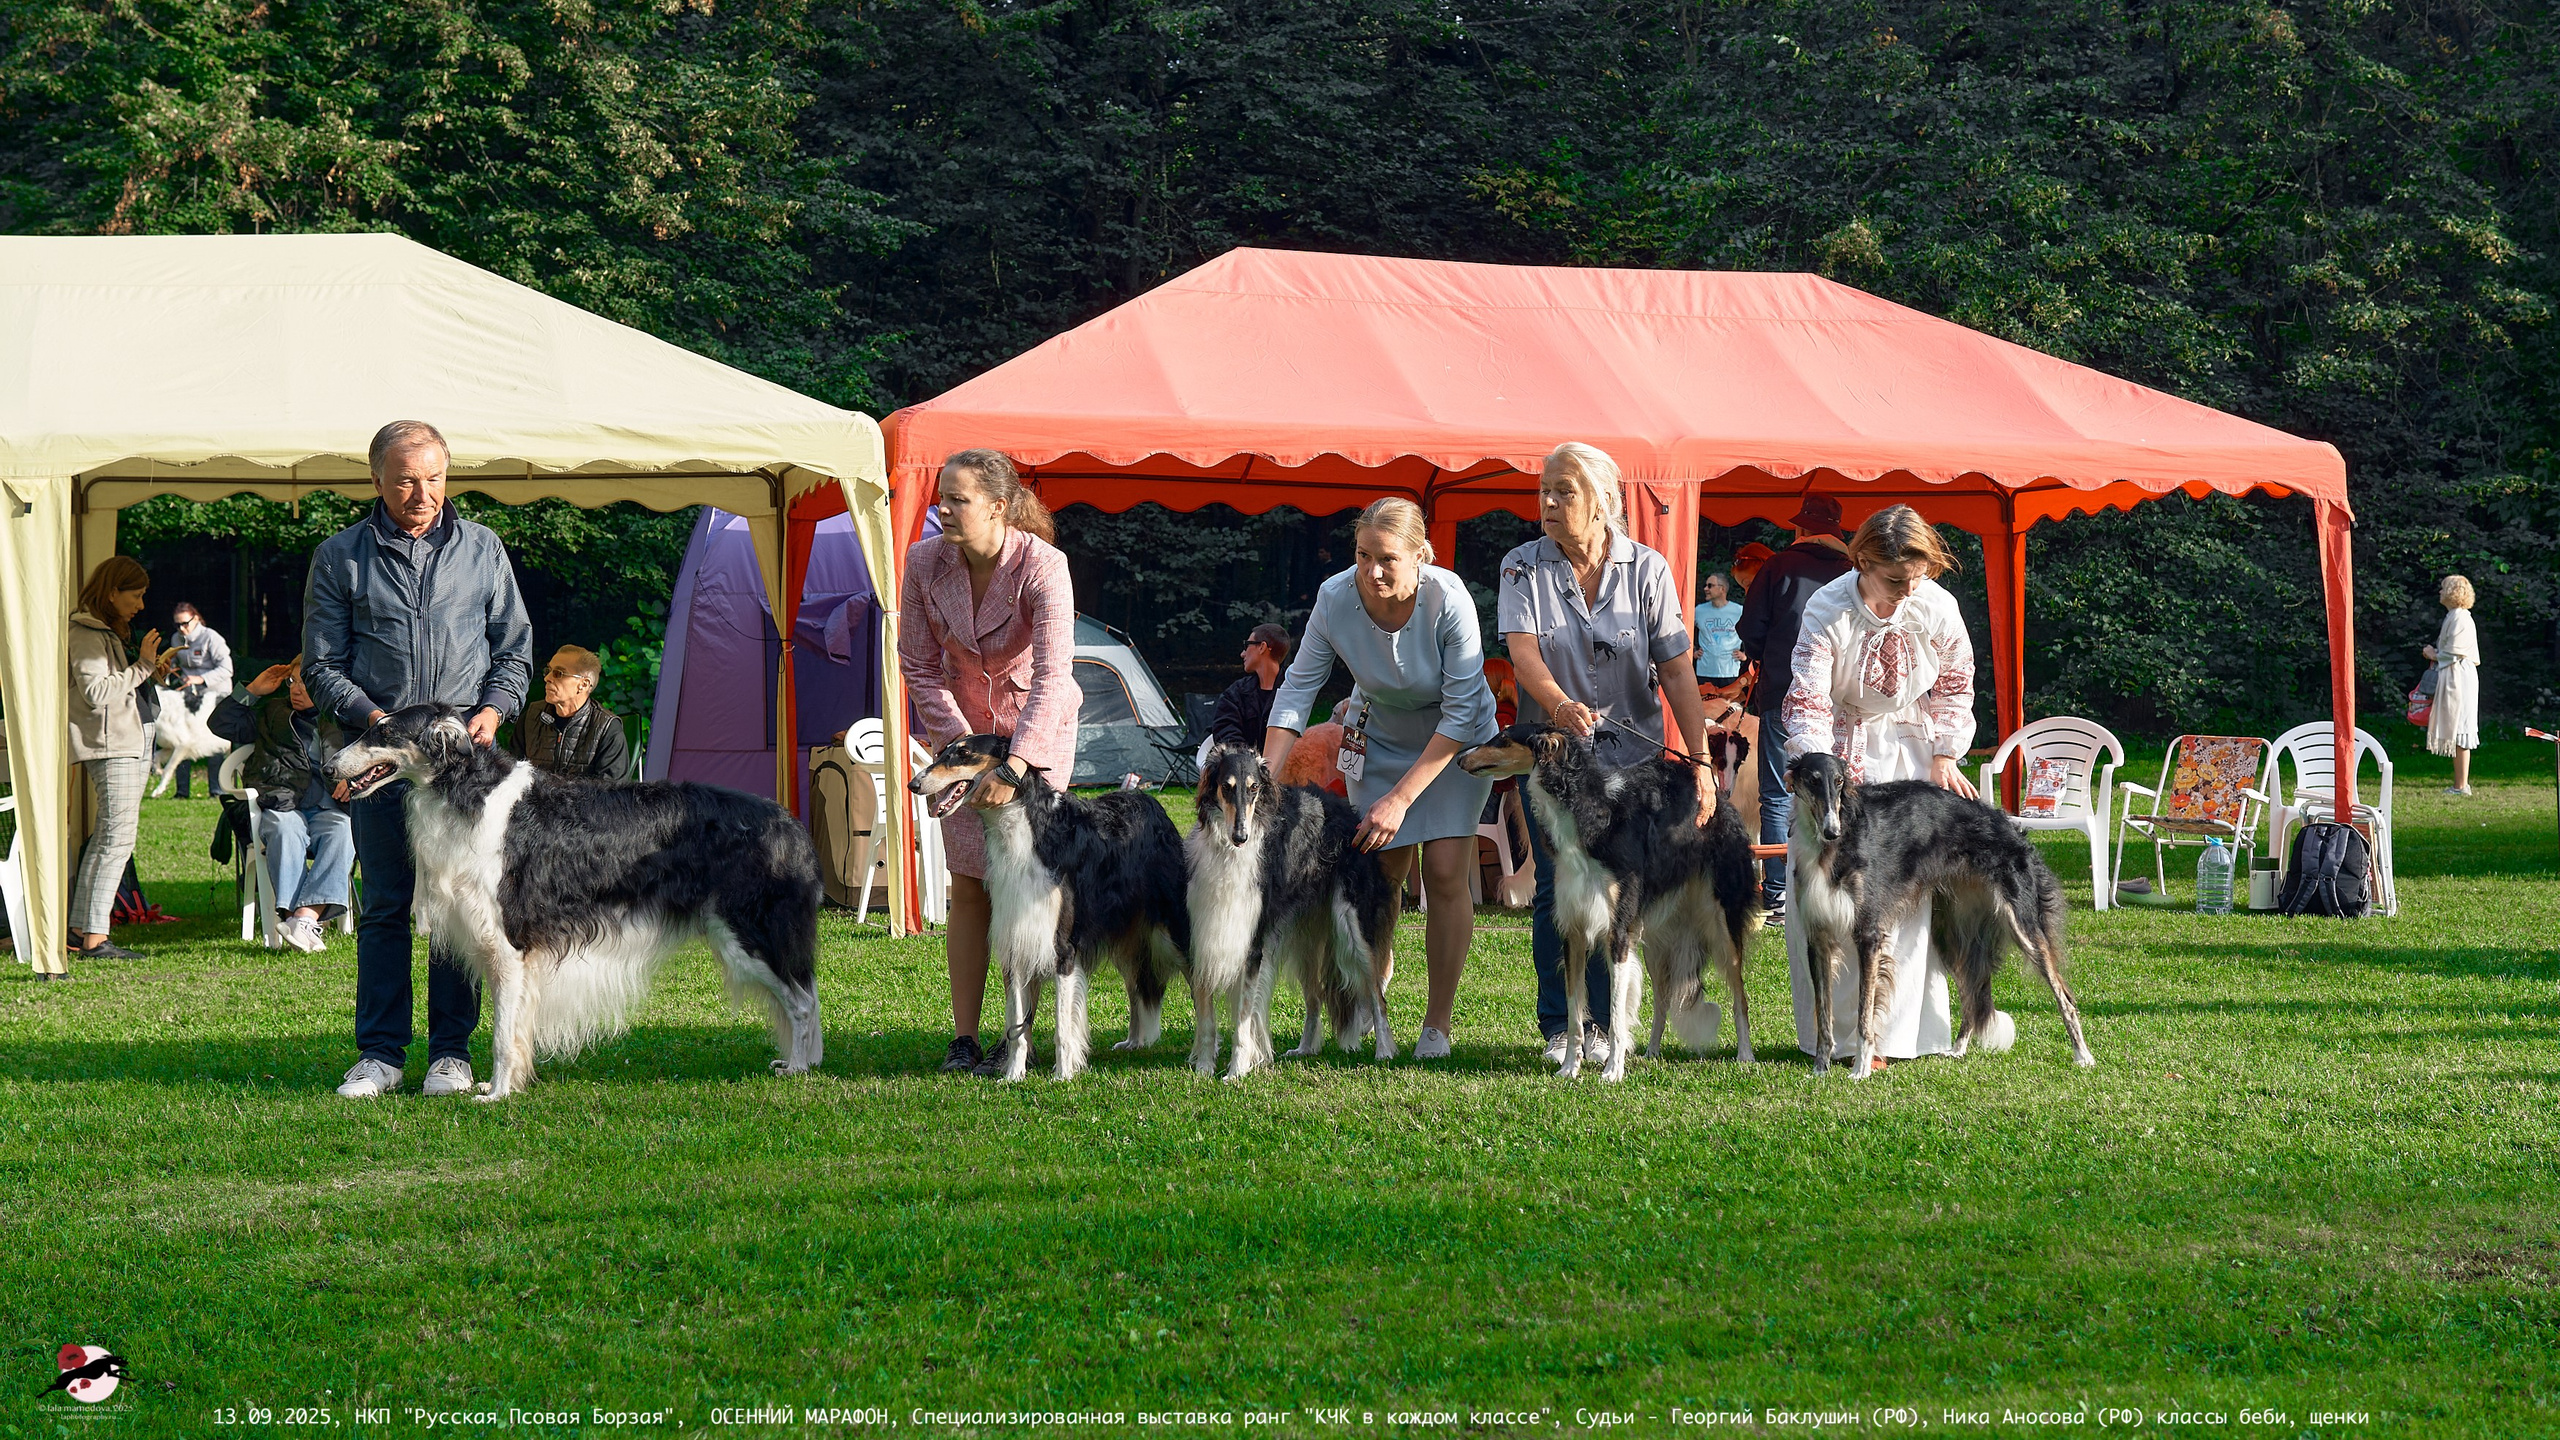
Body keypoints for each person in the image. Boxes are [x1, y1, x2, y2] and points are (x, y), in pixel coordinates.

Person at [304, 420, 533, 1100]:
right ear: (376, 480)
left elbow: (514, 649)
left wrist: (495, 708)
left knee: (460, 911)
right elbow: (321, 665)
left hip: (463, 770)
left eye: (433, 477)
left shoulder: (483, 549)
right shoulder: (341, 556)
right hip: (381, 760)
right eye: (405, 479)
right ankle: (379, 1055)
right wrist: (378, 722)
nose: (421, 492)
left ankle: (451, 1056)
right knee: (384, 907)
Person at [1499, 443, 1715, 1068]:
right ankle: (1566, 1026)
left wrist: (1700, 761)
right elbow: (1524, 655)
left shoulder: (1647, 570)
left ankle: (1616, 1024)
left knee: (1621, 891)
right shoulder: (1522, 566)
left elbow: (1676, 672)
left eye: (1563, 491)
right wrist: (1561, 705)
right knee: (1557, 886)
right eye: (1544, 490)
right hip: (1557, 766)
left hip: (1633, 770)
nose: (1547, 501)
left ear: (1601, 504)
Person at [1264, 496, 1497, 1060]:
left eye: (1388, 559)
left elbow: (1463, 710)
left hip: (1454, 742)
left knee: (1443, 872)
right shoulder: (1334, 597)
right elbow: (1296, 690)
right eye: (1363, 555)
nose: (1372, 571)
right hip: (1379, 737)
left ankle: (1436, 1026)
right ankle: (1372, 999)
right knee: (1377, 874)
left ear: (1421, 556)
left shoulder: (1449, 599)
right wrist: (1262, 785)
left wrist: (1401, 798)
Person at [1778, 504, 2007, 1065]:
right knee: (1823, 896)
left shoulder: (1935, 605)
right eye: (1895, 579)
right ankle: (1833, 1037)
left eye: (1917, 577)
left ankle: (1897, 1038)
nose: (1907, 590)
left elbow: (1957, 679)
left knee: (1900, 904)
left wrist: (1945, 753)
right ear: (1862, 562)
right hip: (1838, 749)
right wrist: (1821, 774)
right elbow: (1807, 696)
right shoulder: (1827, 608)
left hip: (1908, 752)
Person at [896, 449, 1078, 1077]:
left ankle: (1019, 1034)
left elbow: (1056, 674)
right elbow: (917, 665)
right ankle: (966, 1039)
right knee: (971, 883)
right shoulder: (923, 563)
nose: (942, 509)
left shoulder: (1044, 566)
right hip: (961, 741)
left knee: (1028, 887)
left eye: (958, 499)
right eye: (939, 497)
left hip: (1038, 735)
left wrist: (1016, 764)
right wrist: (962, 752)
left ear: (999, 507)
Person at [1735, 495, 1853, 925]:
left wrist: (1756, 652)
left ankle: (1780, 894)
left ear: (1801, 529)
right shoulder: (1853, 571)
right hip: (1843, 697)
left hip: (1785, 694)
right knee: (1842, 789)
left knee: (1778, 791)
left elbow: (1751, 628)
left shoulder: (1778, 567)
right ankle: (1837, 880)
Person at [65, 556, 174, 971]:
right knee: (117, 840)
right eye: (137, 595)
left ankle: (82, 930)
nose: (141, 605)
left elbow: (116, 686)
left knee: (109, 838)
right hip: (113, 746)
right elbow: (95, 691)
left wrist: (150, 671)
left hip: (124, 742)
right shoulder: (86, 632)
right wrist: (144, 665)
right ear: (112, 592)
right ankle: (94, 937)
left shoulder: (100, 631)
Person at [209, 658, 352, 953]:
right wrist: (252, 690)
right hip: (282, 802)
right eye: (292, 682)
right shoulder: (271, 712)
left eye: (305, 683)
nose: (296, 690)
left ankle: (303, 919)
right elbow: (220, 724)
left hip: (328, 806)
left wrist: (353, 780)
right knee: (286, 830)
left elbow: (368, 756)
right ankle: (296, 919)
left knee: (345, 831)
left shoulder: (342, 718)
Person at [509, 645, 631, 781]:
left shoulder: (607, 727)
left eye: (558, 673)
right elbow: (511, 772)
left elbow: (611, 792)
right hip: (536, 801)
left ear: (583, 684)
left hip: (583, 802)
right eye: (548, 670)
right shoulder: (532, 716)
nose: (547, 678)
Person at [166, 601, 234, 797]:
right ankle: (181, 792)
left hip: (215, 696)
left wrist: (201, 679)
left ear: (195, 619)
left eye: (185, 623)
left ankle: (216, 790)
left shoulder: (212, 638)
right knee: (182, 738)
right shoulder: (176, 639)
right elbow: (173, 663)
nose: (182, 629)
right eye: (177, 625)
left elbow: (227, 669)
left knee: (213, 741)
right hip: (190, 698)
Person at [2423, 574, 2481, 795]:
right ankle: (2459, 783)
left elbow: (2455, 652)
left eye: (2443, 588)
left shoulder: (2460, 617)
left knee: (2461, 728)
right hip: (2455, 675)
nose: (2440, 592)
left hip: (2460, 678)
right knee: (2457, 728)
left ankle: (2461, 785)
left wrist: (2433, 654)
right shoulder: (2454, 616)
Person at [1208, 623, 1291, 747]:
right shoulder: (1236, 693)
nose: (1242, 654)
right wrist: (1249, 760)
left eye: (1246, 646)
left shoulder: (1293, 692)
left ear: (1262, 647)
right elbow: (1225, 731)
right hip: (1244, 763)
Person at [1693, 571, 1744, 686]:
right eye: (1705, 585)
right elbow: (1684, 630)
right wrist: (1692, 651)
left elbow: (1752, 632)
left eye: (1710, 585)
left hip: (1731, 672)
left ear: (1722, 589)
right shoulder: (1699, 611)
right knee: (1705, 704)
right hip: (1704, 671)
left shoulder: (1739, 611)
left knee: (1729, 704)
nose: (1706, 589)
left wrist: (1745, 655)